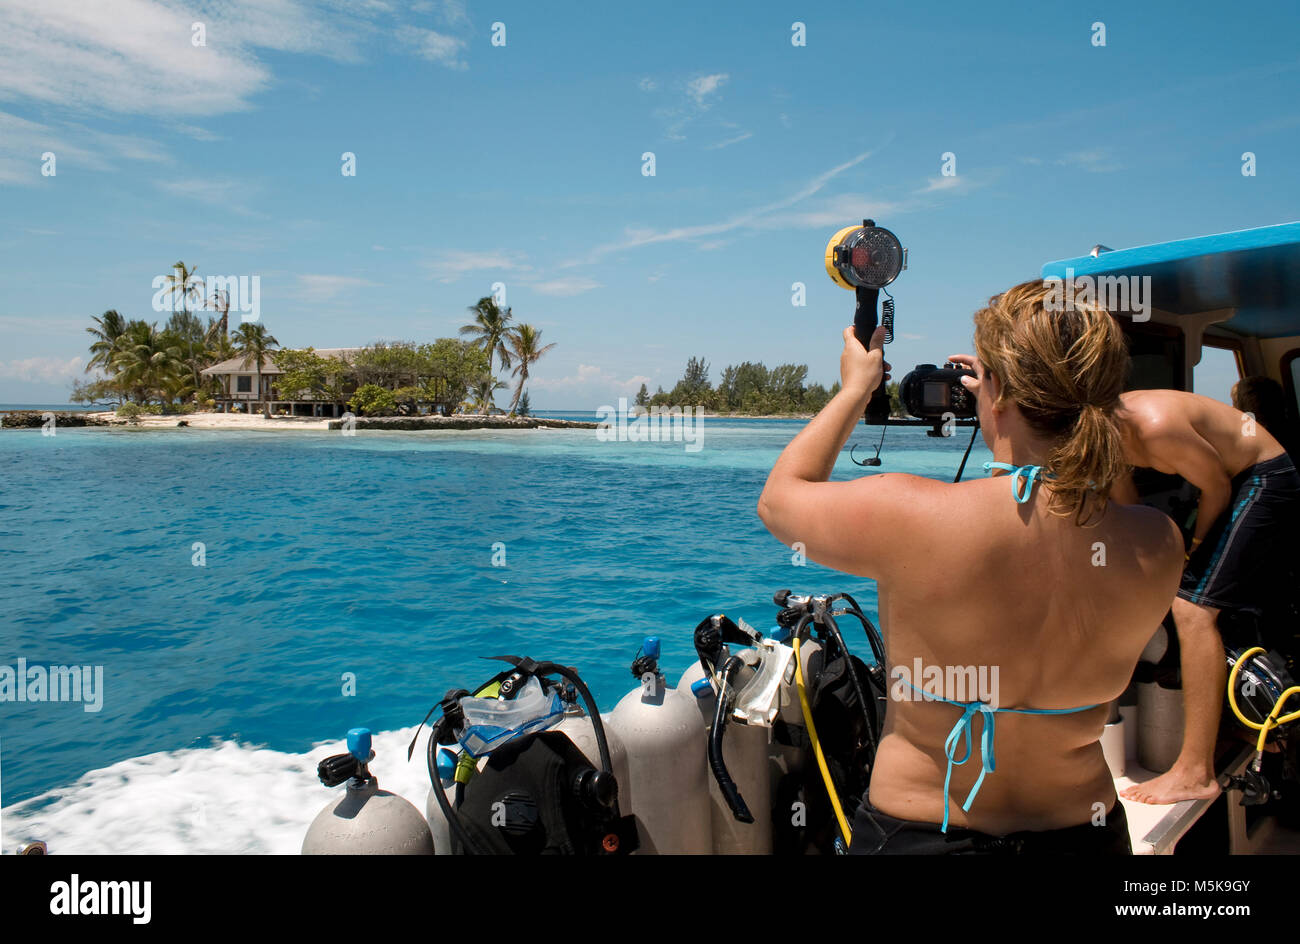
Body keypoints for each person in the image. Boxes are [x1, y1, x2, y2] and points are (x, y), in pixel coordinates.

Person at [758, 279, 1183, 854]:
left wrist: (857, 390)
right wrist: (1014, 400)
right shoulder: (1158, 542)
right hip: (1084, 833)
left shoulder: (913, 516)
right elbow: (1087, 501)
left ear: (1000, 388)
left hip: (921, 828)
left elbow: (781, 499)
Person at [1112, 389, 1300, 805]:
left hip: (1263, 475)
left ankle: (1195, 773)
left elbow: (1215, 487)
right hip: (1233, 481)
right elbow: (1128, 503)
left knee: (1193, 608)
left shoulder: (1156, 429)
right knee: (1193, 594)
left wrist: (1192, 547)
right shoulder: (1102, 436)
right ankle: (1237, 722)